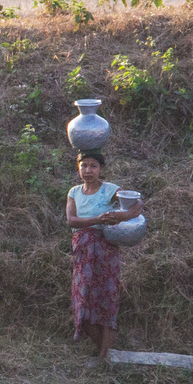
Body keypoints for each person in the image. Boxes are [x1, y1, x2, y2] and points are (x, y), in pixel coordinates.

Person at [65, 150, 140, 362]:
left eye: (93, 166)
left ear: (101, 169)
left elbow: (137, 204)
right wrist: (98, 219)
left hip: (106, 252)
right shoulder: (74, 192)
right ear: (78, 168)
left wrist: (122, 216)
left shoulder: (111, 190)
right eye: (84, 165)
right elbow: (71, 220)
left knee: (107, 297)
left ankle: (105, 355)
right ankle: (103, 352)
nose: (88, 170)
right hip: (83, 254)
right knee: (83, 298)